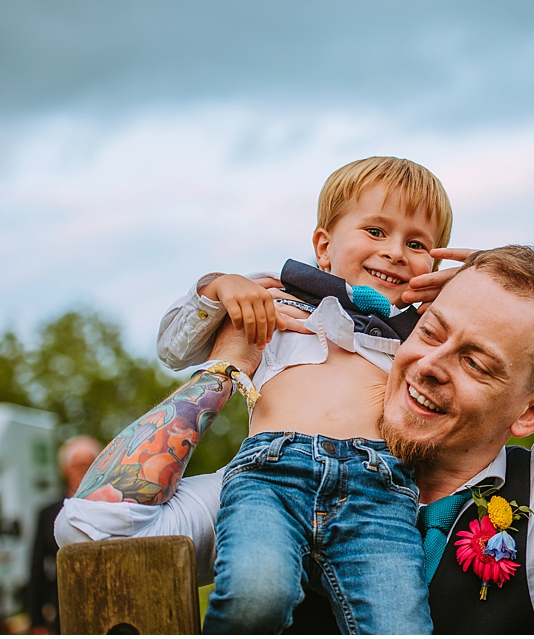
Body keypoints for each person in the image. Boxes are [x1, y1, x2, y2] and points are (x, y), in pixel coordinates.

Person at [57, 244, 534, 633]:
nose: (429, 364)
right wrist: (227, 368)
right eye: (431, 331)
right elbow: (94, 530)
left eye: (477, 360)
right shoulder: (285, 477)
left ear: (531, 410)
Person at [82, 157, 453, 633]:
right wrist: (217, 287)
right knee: (257, 592)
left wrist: (469, 286)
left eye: (417, 243)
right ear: (324, 246)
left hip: (378, 490)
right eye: (376, 232)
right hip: (273, 474)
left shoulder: (423, 335)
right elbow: (173, 347)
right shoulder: (278, 300)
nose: (396, 252)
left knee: (399, 624)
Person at [26, 436, 102, 634]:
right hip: (63, 609)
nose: (83, 471)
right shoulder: (48, 513)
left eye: (89, 464)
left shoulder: (113, 508)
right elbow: (36, 569)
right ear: (65, 469)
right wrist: (36, 621)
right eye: (77, 465)